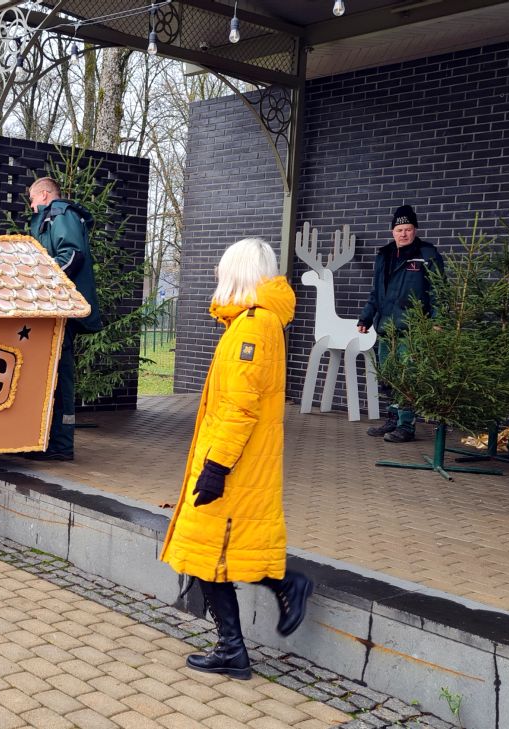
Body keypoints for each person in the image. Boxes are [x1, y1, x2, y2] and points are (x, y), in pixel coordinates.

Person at [159, 238, 315, 680]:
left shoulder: (251, 328)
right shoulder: (253, 323)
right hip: (237, 461)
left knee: (206, 548)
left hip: (234, 464)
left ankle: (237, 642)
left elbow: (240, 409)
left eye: (222, 269)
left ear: (239, 273)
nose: (216, 275)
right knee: (212, 549)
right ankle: (269, 605)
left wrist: (216, 468)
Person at [25, 177, 102, 461]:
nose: (31, 207)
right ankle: (46, 441)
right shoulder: (50, 219)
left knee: (60, 377)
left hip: (61, 311)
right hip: (53, 309)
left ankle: (59, 445)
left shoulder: (60, 215)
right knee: (51, 375)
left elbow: (72, 256)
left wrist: (41, 280)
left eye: (32, 200)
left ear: (44, 195)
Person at [356, 204, 446, 443]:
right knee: (388, 376)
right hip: (387, 327)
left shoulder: (427, 255)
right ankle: (393, 418)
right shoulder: (384, 256)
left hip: (413, 328)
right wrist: (366, 317)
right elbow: (376, 291)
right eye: (399, 229)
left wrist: (437, 322)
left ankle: (407, 425)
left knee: (407, 376)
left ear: (415, 230)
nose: (403, 233)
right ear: (392, 231)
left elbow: (439, 291)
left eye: (408, 229)